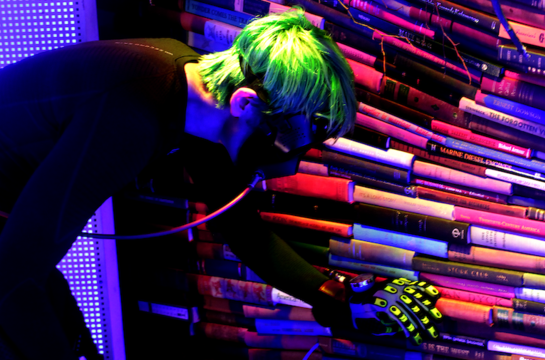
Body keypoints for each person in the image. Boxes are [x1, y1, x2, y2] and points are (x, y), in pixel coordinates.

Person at [0, 9, 441, 360]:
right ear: (247, 104)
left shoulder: (191, 89)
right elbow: (12, 278)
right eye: (290, 143)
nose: (289, 164)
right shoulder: (133, 115)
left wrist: (332, 297)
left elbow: (242, 227)